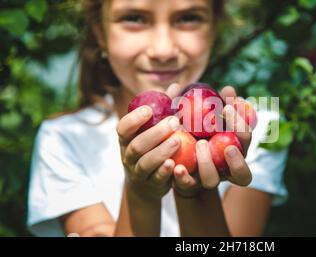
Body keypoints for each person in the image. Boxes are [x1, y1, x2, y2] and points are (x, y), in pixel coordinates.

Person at [27, 0, 288, 237]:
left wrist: (195, 194)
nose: (163, 50)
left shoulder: (259, 126)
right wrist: (140, 194)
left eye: (188, 18)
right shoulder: (64, 138)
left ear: (214, 28)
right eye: (134, 18)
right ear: (99, 32)